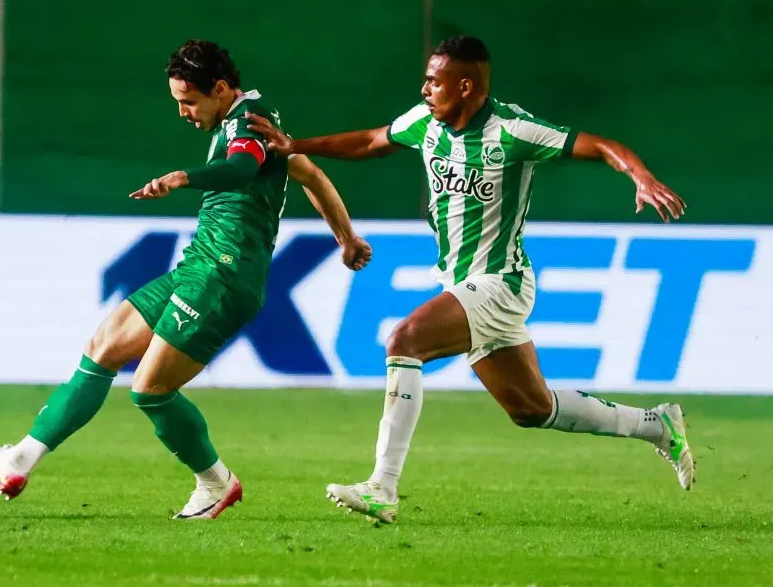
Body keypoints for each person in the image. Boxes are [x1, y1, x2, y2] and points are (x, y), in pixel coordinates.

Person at [246, 35, 691, 524]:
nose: (424, 90)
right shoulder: (424, 123)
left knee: (404, 340)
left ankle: (382, 487)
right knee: (531, 408)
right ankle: (656, 424)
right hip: (462, 284)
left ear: (464, 86)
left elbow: (602, 145)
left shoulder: (514, 131)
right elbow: (373, 141)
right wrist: (297, 145)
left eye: (433, 82)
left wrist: (640, 176)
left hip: (501, 283)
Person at [0, 39, 371, 520]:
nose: (183, 112)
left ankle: (216, 483)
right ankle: (18, 461)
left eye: (189, 101)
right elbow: (309, 173)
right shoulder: (254, 122)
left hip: (224, 275)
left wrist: (183, 177)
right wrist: (346, 238)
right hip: (198, 266)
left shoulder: (247, 124)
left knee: (150, 390)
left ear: (220, 89)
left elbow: (240, 170)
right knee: (104, 346)